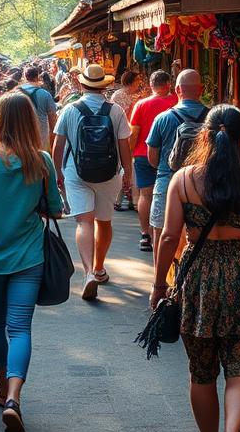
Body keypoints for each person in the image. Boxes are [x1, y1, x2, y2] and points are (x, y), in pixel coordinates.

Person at [151, 105, 240, 432]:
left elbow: (168, 236)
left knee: (201, 372)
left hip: (198, 283)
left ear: (204, 136)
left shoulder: (183, 180)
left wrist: (158, 285)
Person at [0, 93, 63, 432]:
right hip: (29, 256)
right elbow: (55, 208)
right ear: (31, 122)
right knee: (20, 328)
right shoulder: (41, 160)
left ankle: (1, 384)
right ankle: (14, 399)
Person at [52, 63, 132, 300]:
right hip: (108, 174)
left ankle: (87, 273)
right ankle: (99, 268)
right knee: (104, 222)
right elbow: (124, 146)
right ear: (104, 86)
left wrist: (56, 172)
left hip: (76, 173)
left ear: (83, 84)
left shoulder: (69, 110)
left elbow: (57, 146)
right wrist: (128, 173)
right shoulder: (116, 110)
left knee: (84, 223)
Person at [147, 69, 207, 263]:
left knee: (162, 234)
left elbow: (152, 158)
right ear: (202, 90)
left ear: (177, 90)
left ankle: (160, 283)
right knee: (202, 236)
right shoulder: (212, 119)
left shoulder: (162, 119)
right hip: (204, 185)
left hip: (167, 180)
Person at [129, 70, 177, 252]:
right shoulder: (175, 102)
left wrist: (131, 152)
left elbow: (133, 133)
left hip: (143, 154)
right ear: (168, 85)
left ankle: (145, 235)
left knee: (146, 195)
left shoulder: (141, 104)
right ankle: (169, 232)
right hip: (171, 156)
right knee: (172, 194)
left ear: (151, 85)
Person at [111, 70, 146, 212]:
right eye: (137, 80)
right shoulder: (119, 96)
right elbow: (124, 116)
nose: (139, 83)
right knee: (126, 166)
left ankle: (127, 199)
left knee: (128, 166)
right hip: (124, 134)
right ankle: (123, 199)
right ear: (131, 81)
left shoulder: (137, 96)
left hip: (133, 134)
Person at [19, 66, 58, 150]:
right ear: (38, 76)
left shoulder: (16, 93)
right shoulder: (45, 94)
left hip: (21, 140)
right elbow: (53, 122)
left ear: (25, 77)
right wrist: (52, 145)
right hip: (41, 140)